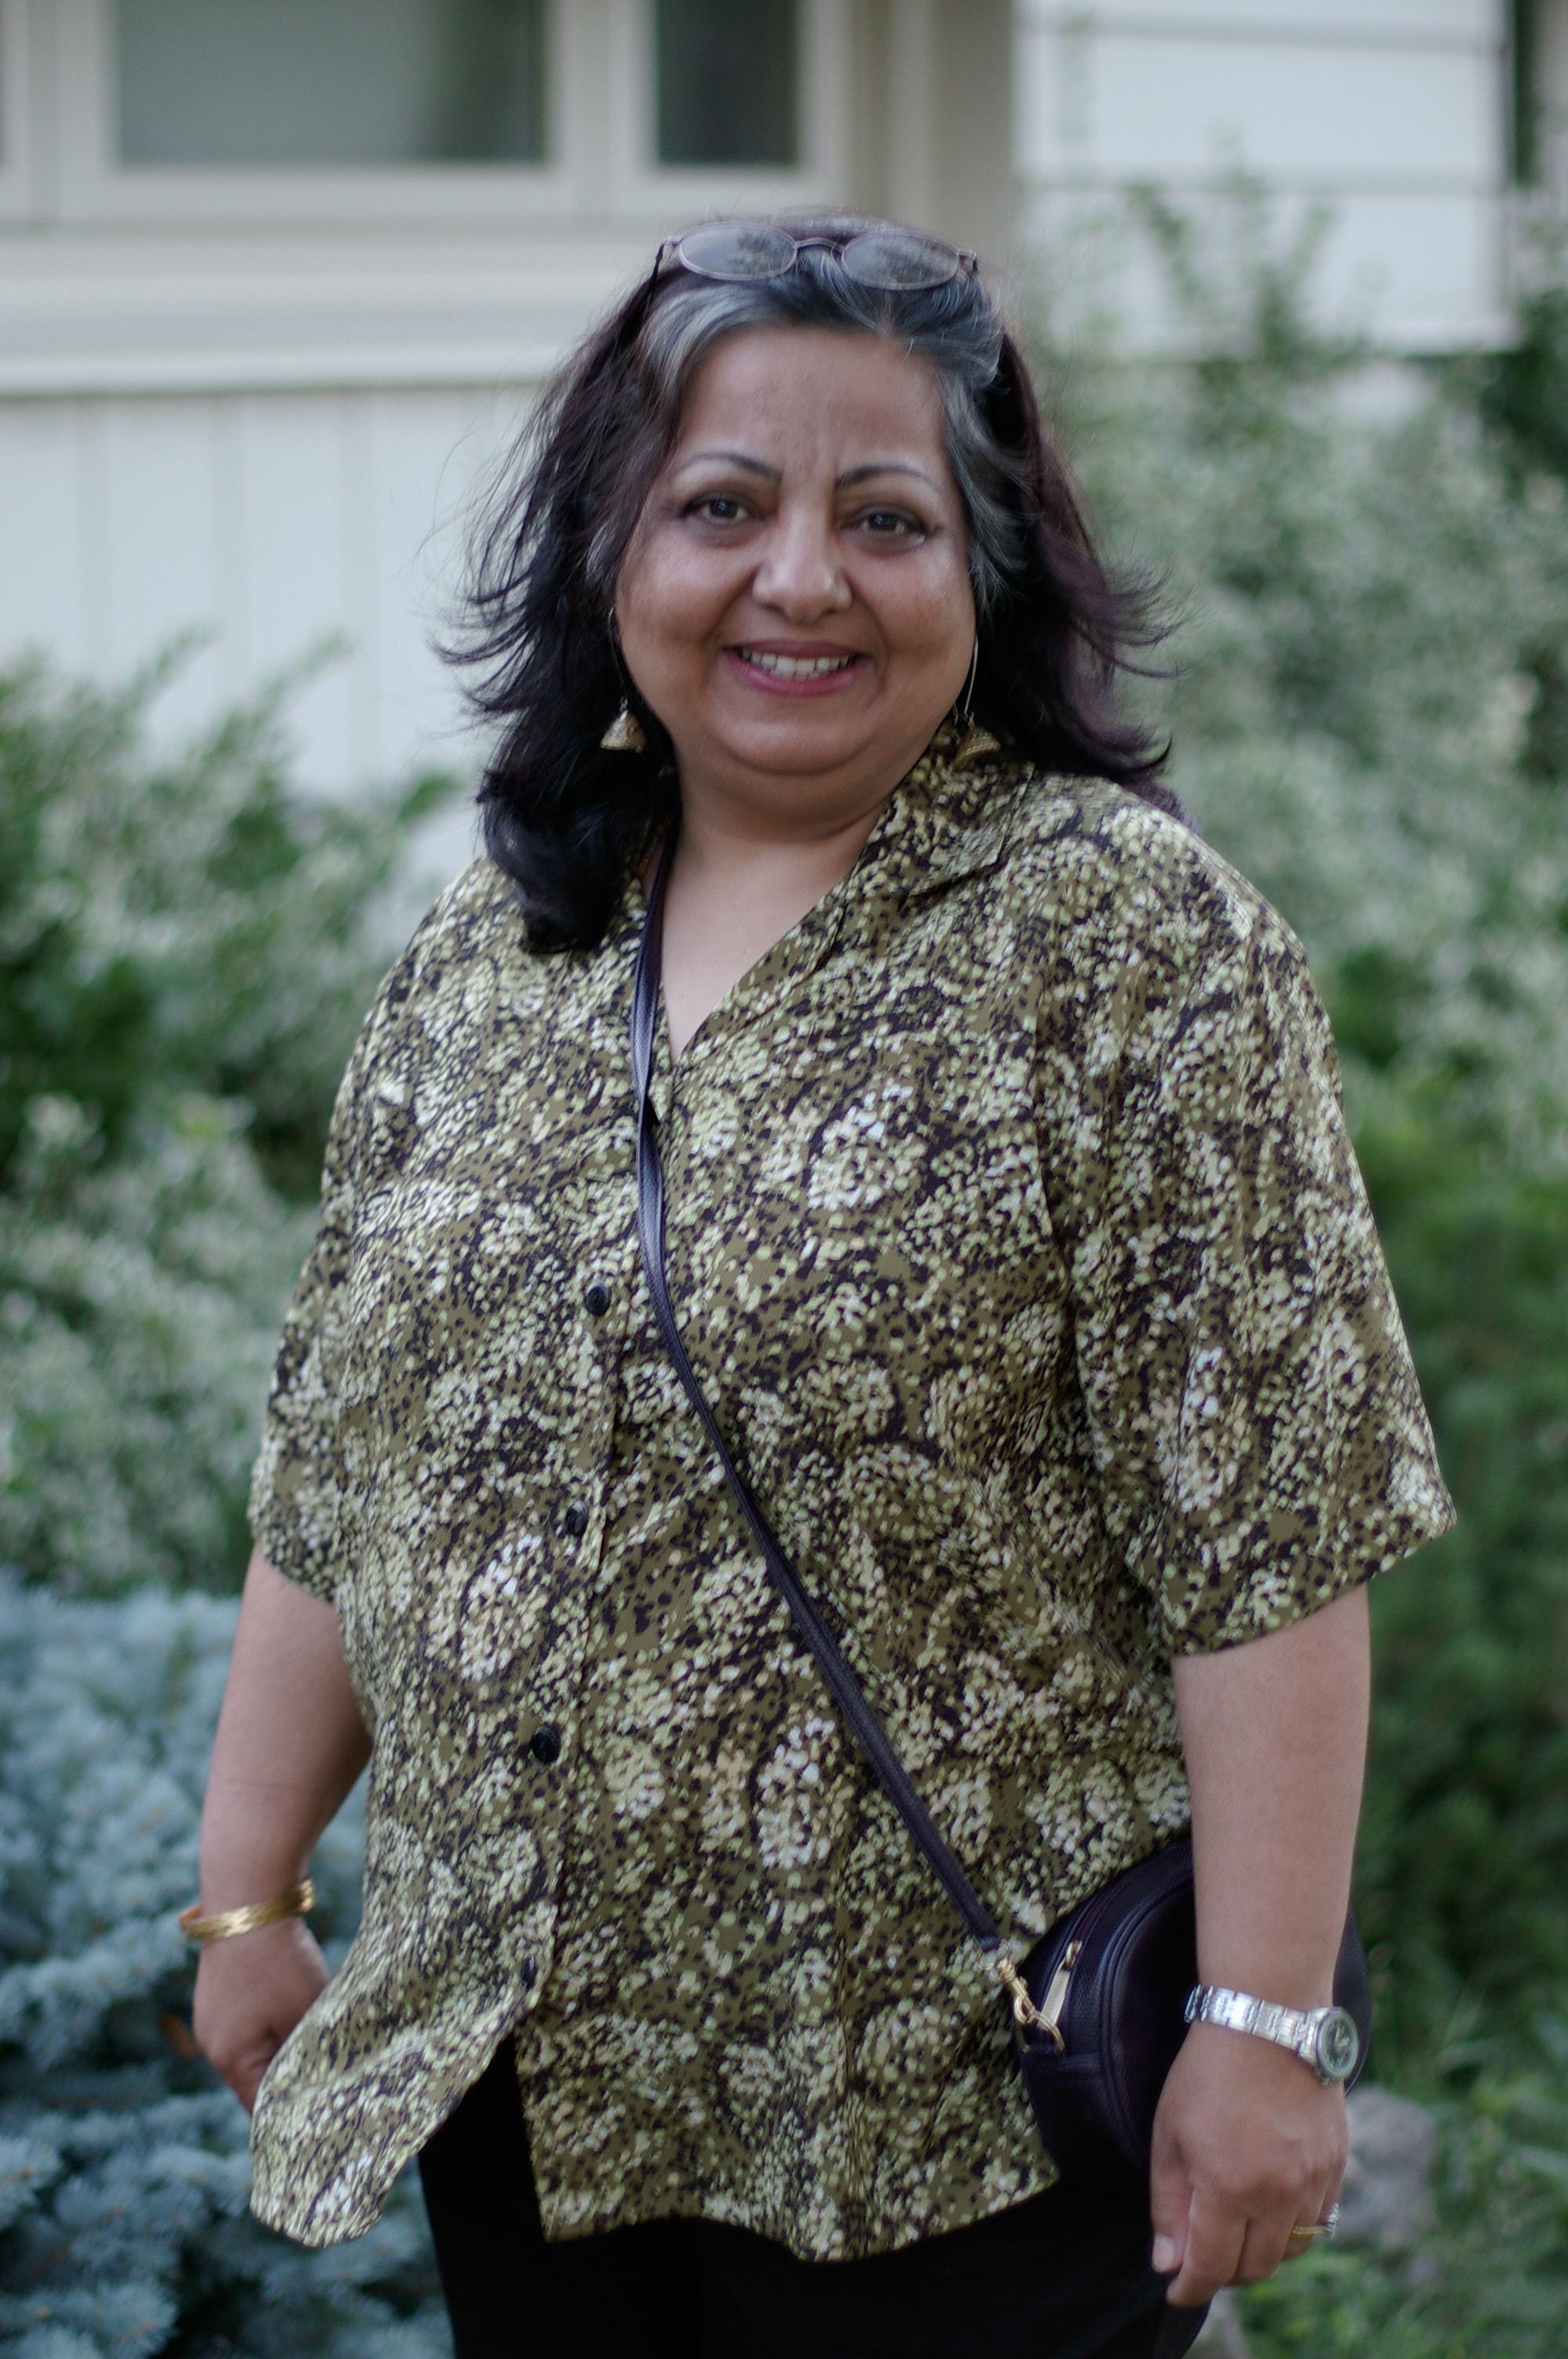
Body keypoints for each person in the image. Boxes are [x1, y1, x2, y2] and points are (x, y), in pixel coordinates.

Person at [189, 217, 1454, 2359]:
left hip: (960, 2110)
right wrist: (248, 1892)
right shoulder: (489, 958)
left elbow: (1268, 1533)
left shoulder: (1126, 945)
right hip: (543, 2087)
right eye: (721, 507)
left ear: (987, 572)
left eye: (886, 519)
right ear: (611, 552)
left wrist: (1263, 2021)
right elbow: (343, 1470)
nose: (802, 580)